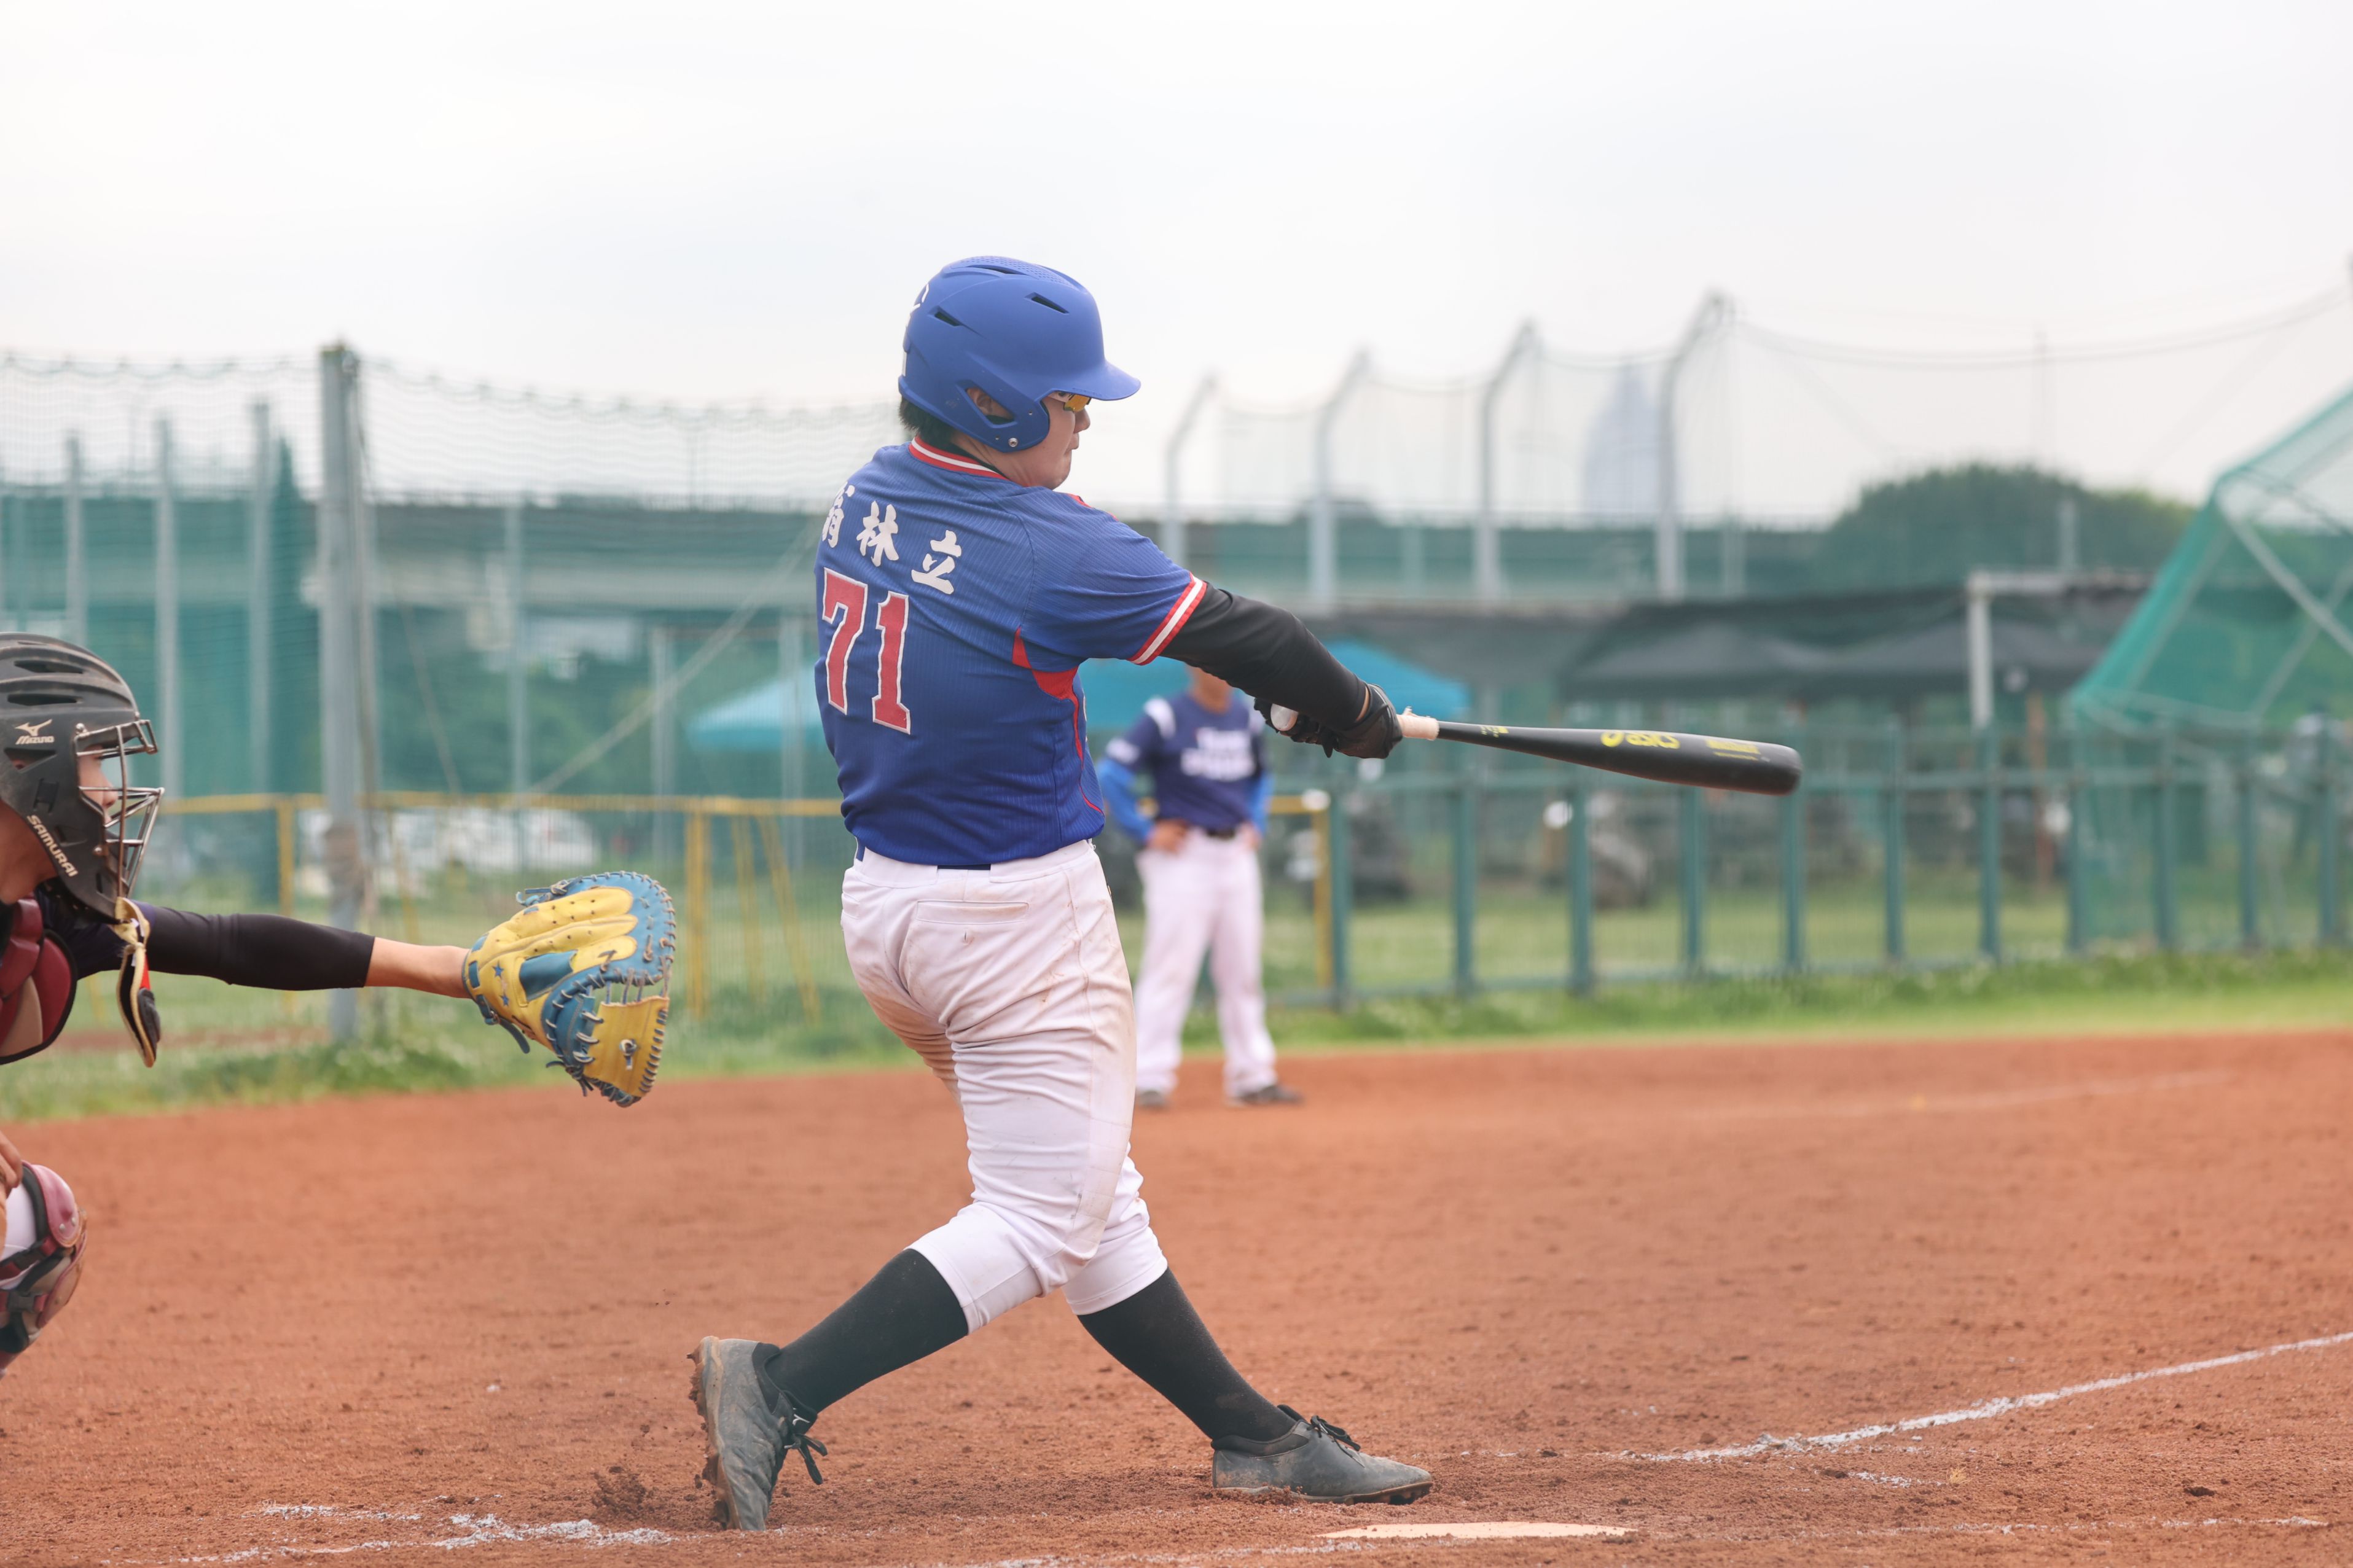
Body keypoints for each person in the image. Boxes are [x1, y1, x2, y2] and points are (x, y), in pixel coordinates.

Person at [687, 256, 1427, 1529]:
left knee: (1088, 1192)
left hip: (890, 917)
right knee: (1041, 1215)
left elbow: (1162, 640)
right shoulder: (1048, 543)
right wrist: (1353, 712)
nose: (1084, 423)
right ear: (993, 405)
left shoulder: (868, 494)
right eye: (1070, 403)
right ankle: (777, 1382)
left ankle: (1254, 1435)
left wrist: (1292, 699)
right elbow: (1251, 635)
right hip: (1015, 926)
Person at [0, 635, 527, 1376]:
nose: (113, 793)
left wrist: (457, 971)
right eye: (93, 761)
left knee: (37, 1226)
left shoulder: (46, 921)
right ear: (24, 767)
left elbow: (232, 945)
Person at [1098, 667, 1298, 1109]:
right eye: (1212, 664)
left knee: (1242, 970)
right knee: (1171, 968)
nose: (1223, 674)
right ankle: (1148, 1077)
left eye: (1229, 666)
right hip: (1183, 855)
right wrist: (1144, 830)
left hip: (1235, 854)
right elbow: (1110, 774)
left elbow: (1262, 775)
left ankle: (1252, 1076)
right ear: (1193, 667)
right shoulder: (1166, 715)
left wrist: (1256, 819)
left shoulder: (1246, 718)